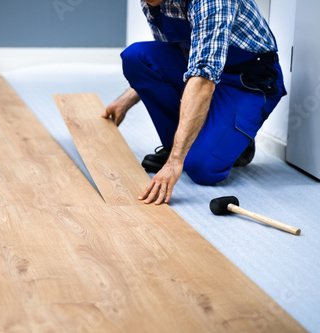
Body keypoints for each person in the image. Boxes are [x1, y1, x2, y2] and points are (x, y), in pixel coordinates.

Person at [102, 0, 286, 205]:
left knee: (202, 169)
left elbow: (203, 80)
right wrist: (125, 101)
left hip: (245, 81)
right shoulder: (151, 3)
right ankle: (183, 145)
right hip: (202, 71)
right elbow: (177, 56)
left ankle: (237, 144)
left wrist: (175, 162)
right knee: (137, 57)